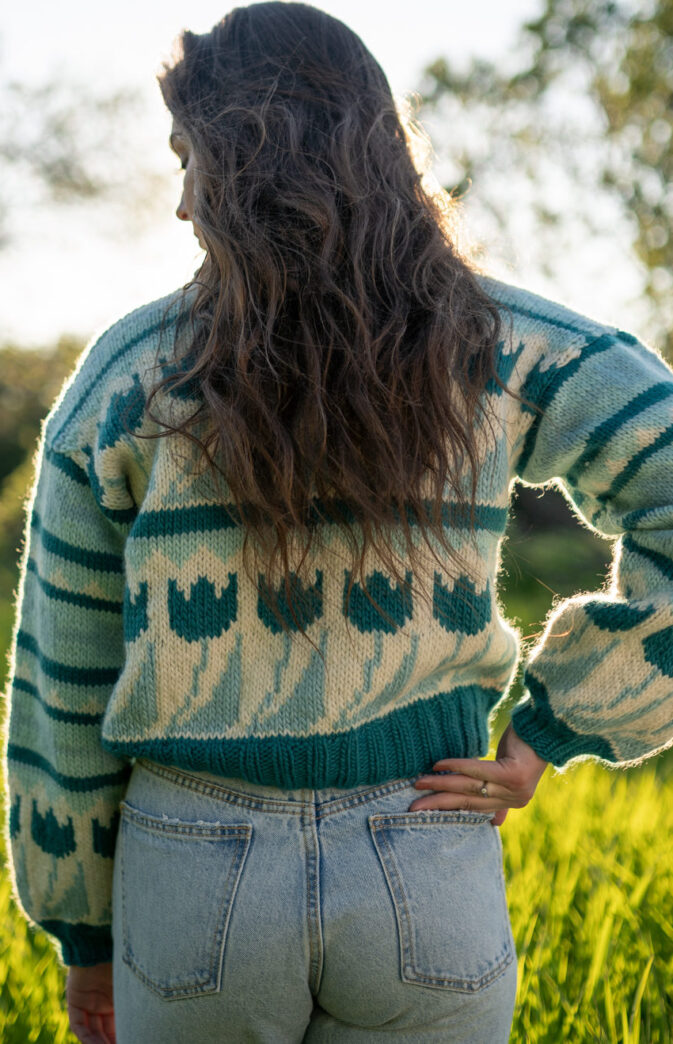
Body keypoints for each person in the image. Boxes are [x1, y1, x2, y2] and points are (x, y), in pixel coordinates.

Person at [3, 3, 673, 1042]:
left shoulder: (126, 381)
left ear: (244, 164)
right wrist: (554, 728)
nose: (180, 203)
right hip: (425, 849)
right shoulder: (504, 344)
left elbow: (65, 680)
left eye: (189, 160)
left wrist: (82, 935)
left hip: (192, 876)